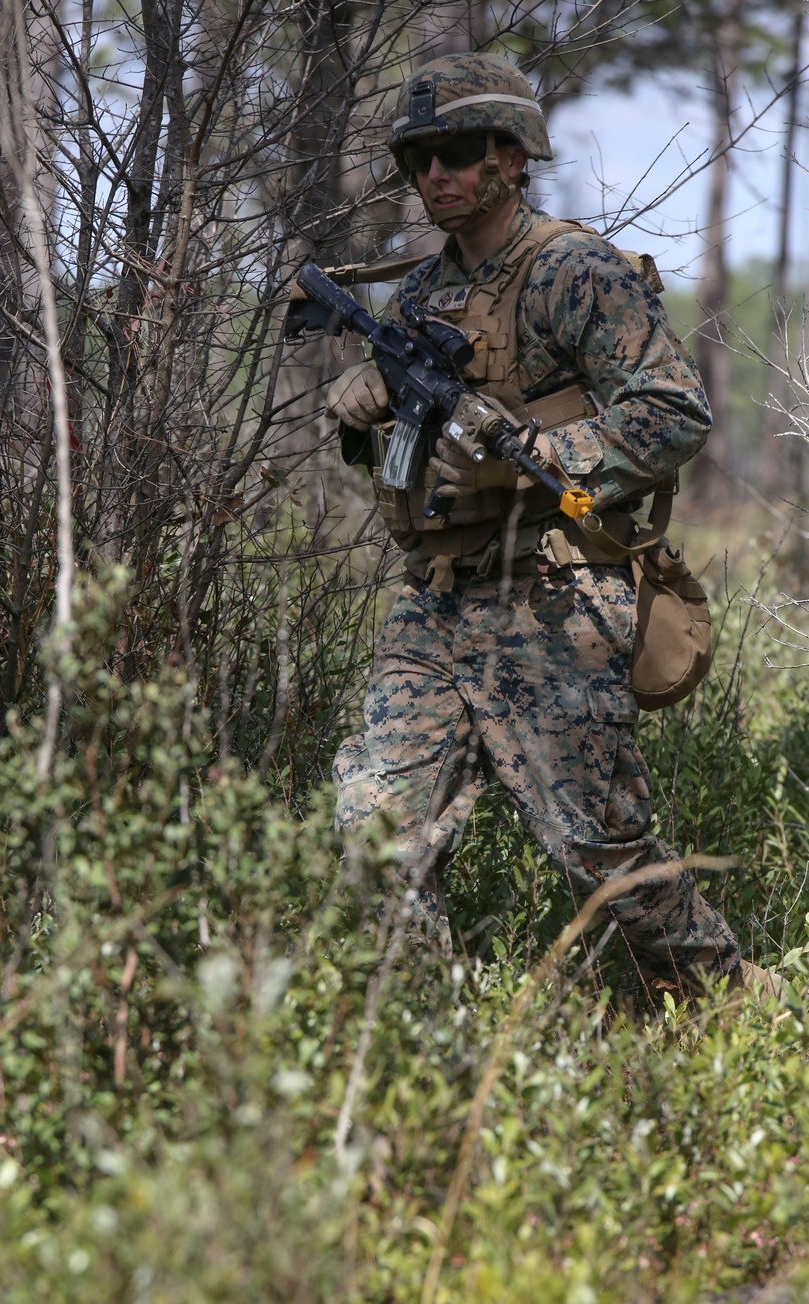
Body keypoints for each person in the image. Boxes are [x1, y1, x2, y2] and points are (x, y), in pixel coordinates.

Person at [326, 51, 779, 998]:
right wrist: (359, 410)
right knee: (376, 834)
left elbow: (673, 413)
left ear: (511, 154)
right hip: (436, 601)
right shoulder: (417, 296)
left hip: (553, 594)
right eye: (419, 160)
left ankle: (743, 1009)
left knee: (599, 855)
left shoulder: (575, 272)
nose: (435, 176)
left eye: (455, 152)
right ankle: (416, 1045)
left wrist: (535, 455)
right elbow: (409, 467)